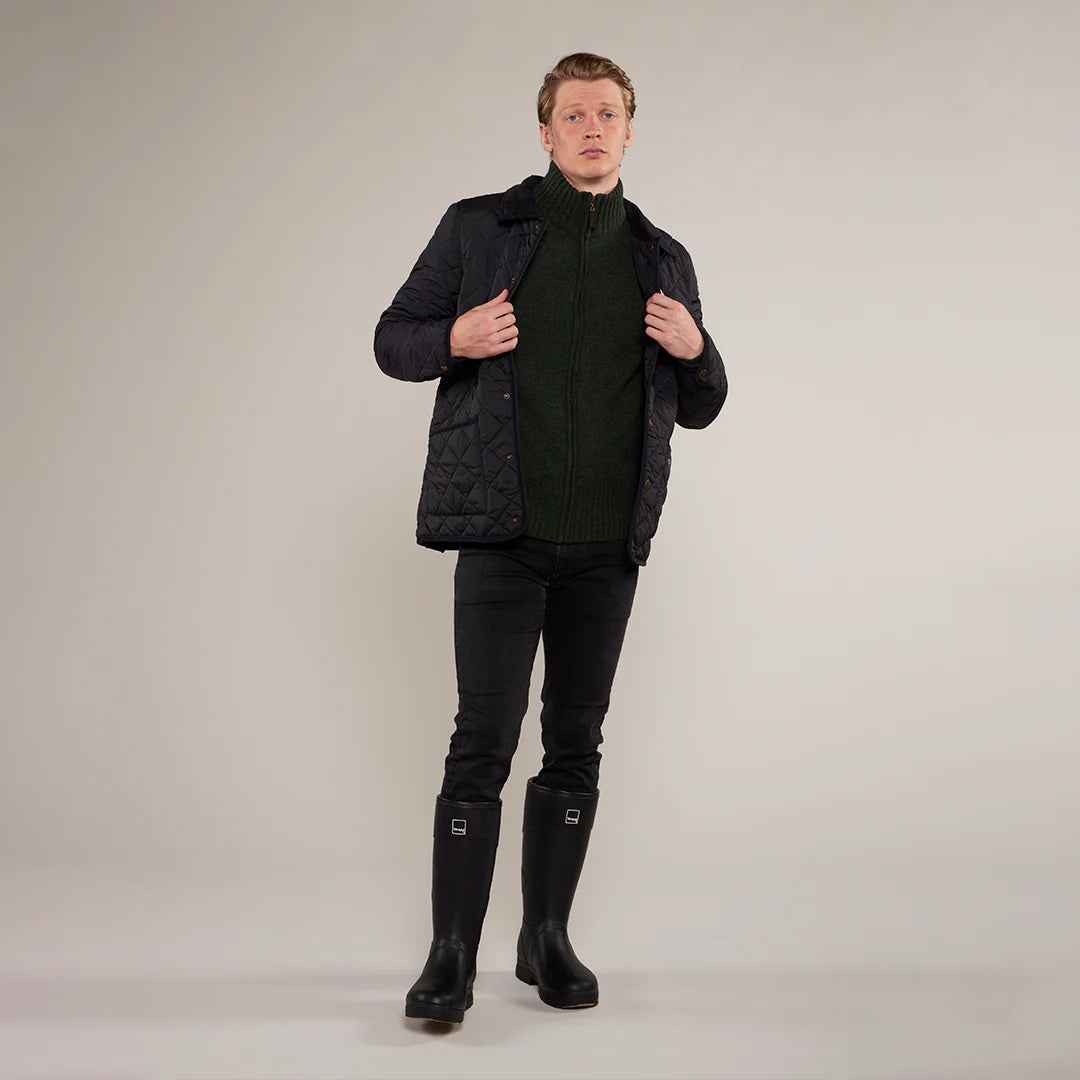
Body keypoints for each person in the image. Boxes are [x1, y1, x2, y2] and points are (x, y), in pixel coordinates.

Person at [374, 52, 728, 1024]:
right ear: (545, 132)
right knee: (481, 742)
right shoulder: (479, 228)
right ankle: (450, 955)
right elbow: (393, 338)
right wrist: (454, 338)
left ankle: (545, 937)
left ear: (629, 131)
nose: (592, 128)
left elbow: (703, 403)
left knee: (576, 742)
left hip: (608, 546)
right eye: (573, 114)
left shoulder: (661, 256)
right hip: (503, 535)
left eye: (608, 113)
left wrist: (699, 349)